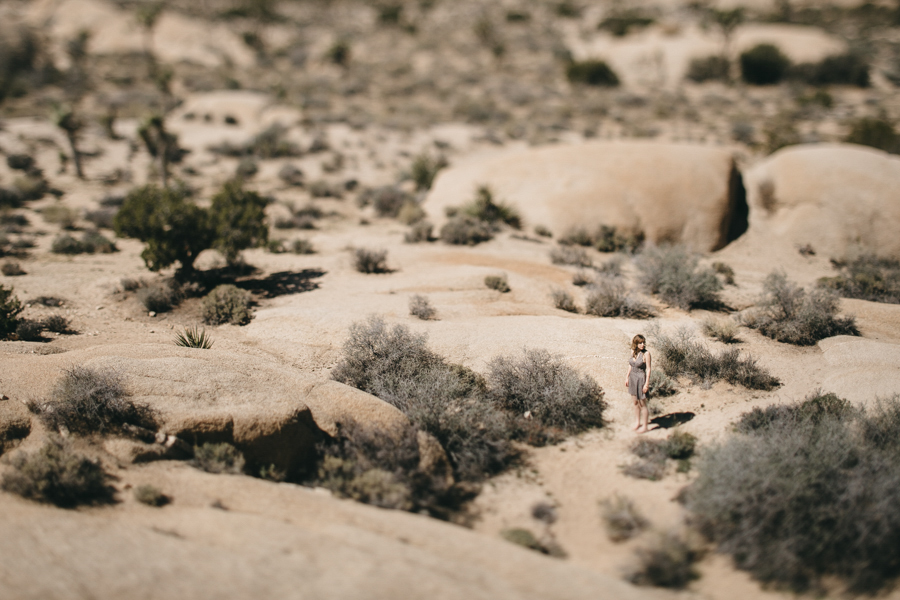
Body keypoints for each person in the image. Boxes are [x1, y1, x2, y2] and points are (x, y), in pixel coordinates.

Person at [625, 334, 652, 433]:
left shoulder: (646, 354)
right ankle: (637, 422)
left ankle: (645, 427)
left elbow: (648, 369)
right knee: (635, 402)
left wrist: (646, 384)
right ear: (635, 343)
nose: (643, 344)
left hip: (641, 379)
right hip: (632, 378)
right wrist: (627, 377)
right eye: (640, 343)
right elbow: (630, 365)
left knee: (642, 404)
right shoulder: (633, 352)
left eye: (644, 342)